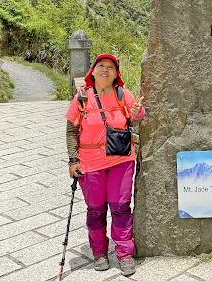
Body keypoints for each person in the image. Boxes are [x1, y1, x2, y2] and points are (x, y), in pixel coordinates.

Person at [66, 53, 145, 277]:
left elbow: (136, 115)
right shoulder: (82, 97)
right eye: (101, 66)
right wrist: (73, 161)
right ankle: (99, 252)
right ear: (93, 70)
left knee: (120, 207)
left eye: (110, 67)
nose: (105, 70)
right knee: (96, 209)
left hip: (121, 160)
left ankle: (124, 253)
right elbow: (71, 131)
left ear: (116, 74)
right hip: (90, 163)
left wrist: (138, 112)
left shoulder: (123, 95)